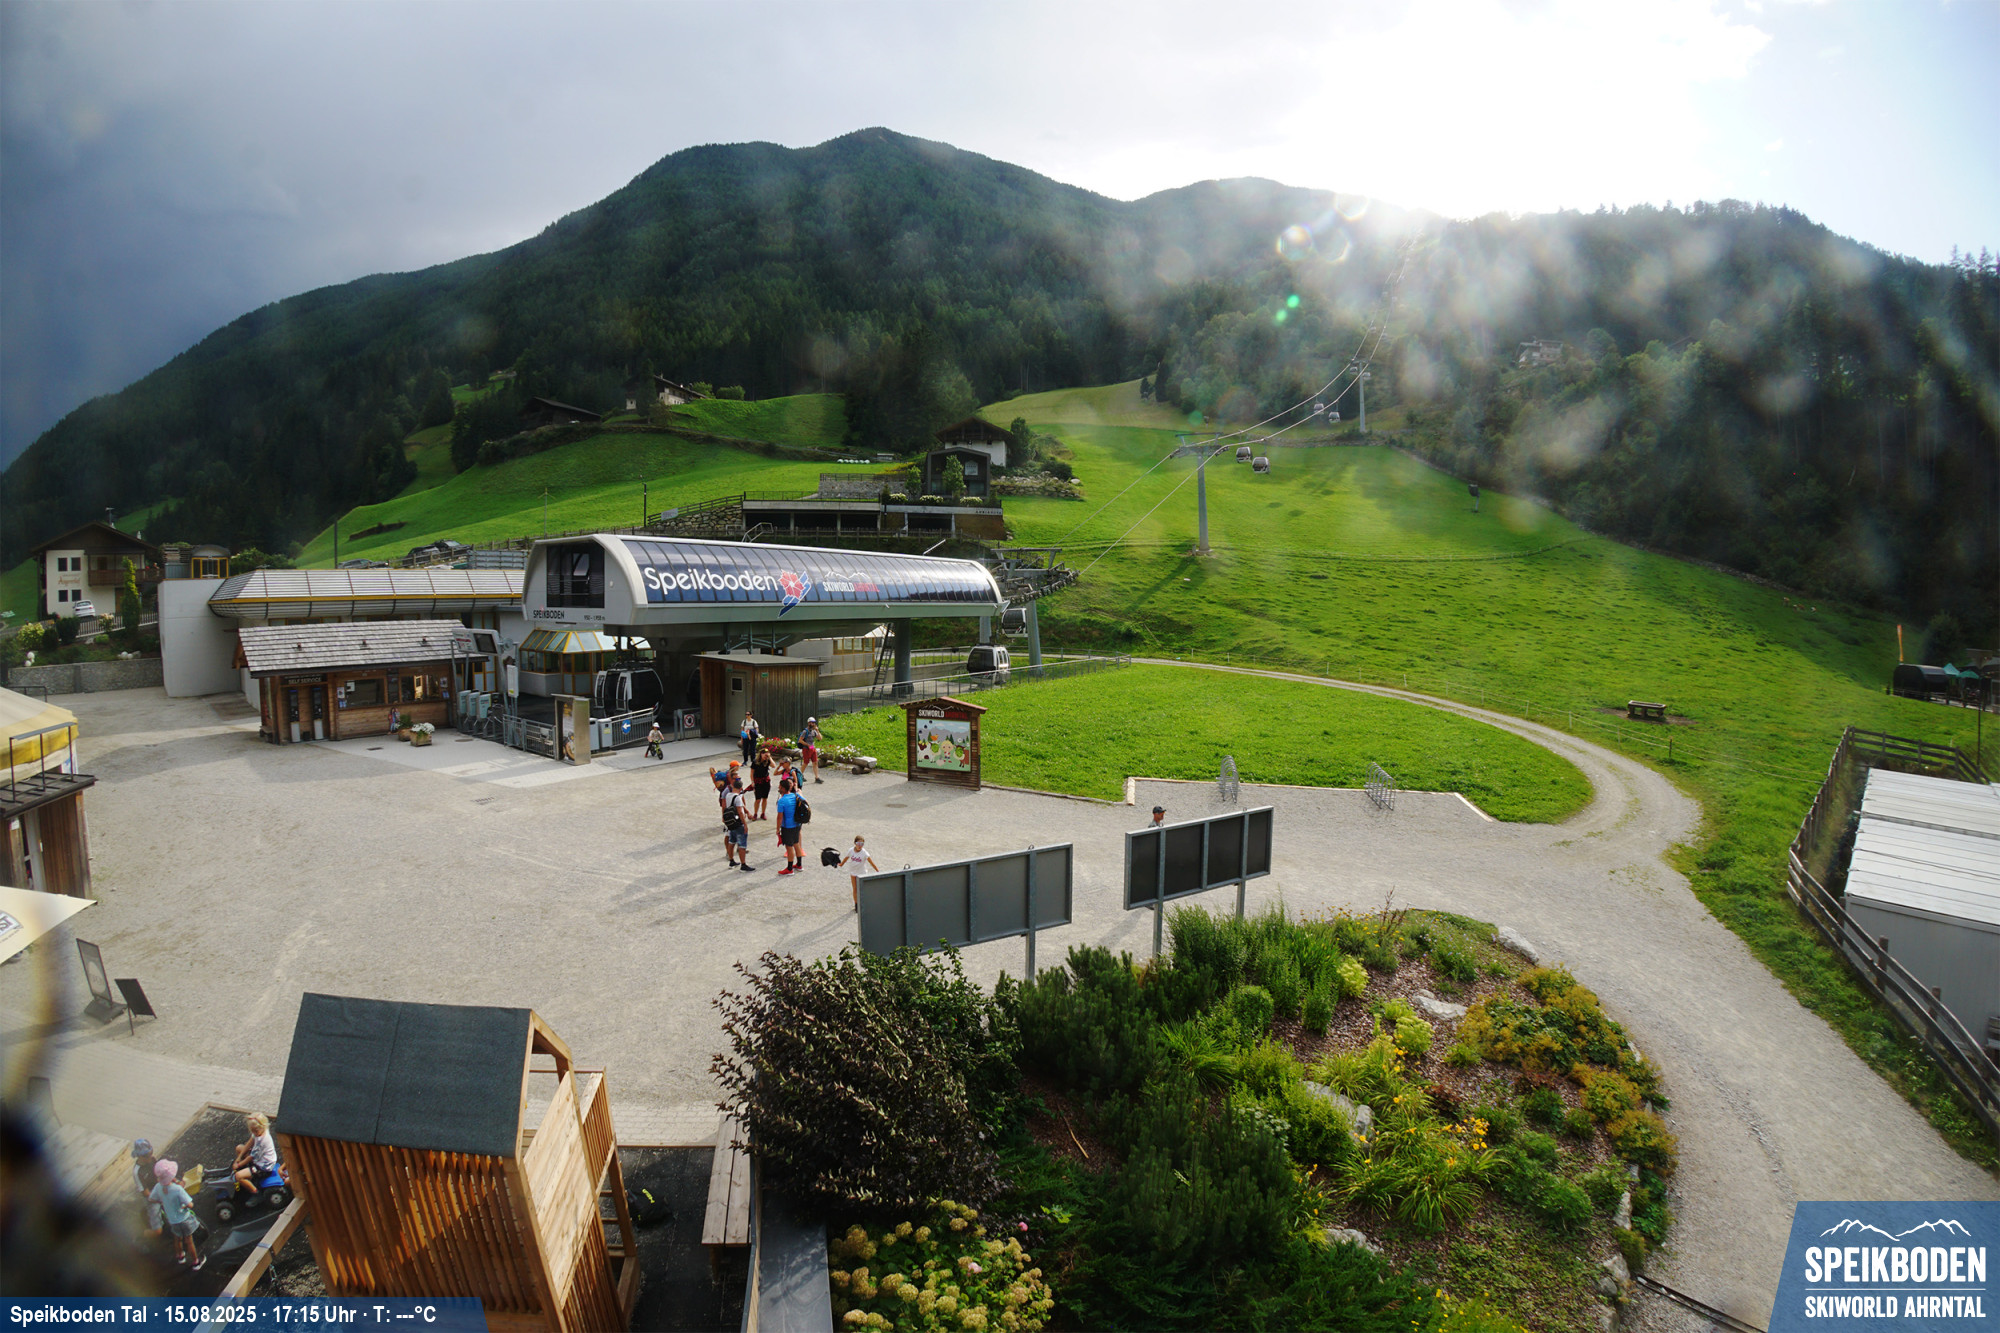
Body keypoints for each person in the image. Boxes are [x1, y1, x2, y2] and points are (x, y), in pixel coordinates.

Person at [152, 1159, 202, 1269]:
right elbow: (190, 1205)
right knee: (189, 1241)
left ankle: (180, 1257)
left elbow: (152, 1199)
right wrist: (183, 1205)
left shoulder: (158, 1187)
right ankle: (196, 1262)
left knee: (177, 1238)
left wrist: (162, 1201)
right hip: (184, 1218)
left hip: (172, 1220)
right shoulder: (177, 1189)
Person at [232, 1113, 278, 1197]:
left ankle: (255, 1192)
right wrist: (239, 1157)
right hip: (259, 1159)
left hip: (263, 1167)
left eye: (255, 1131)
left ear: (262, 1126)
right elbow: (250, 1143)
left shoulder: (262, 1141)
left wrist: (238, 1165)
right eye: (252, 1131)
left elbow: (251, 1157)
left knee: (238, 1176)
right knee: (239, 1148)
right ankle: (247, 1175)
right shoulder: (260, 1131)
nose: (254, 1133)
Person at [131, 1139, 164, 1238]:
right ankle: (142, 1236)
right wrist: (158, 1198)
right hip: (151, 1196)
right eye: (146, 1155)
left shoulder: (152, 1160)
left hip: (160, 1188)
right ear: (139, 1156)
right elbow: (145, 1192)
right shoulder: (137, 1172)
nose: (150, 1157)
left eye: (151, 1153)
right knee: (158, 1231)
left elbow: (159, 1173)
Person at [723, 775, 754, 872]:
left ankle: (731, 861)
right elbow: (740, 812)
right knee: (742, 845)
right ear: (741, 788)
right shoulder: (738, 798)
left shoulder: (728, 795)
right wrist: (745, 824)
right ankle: (743, 865)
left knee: (731, 841)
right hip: (738, 823)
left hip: (731, 823)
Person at [774, 778, 804, 875]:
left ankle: (790, 868)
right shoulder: (795, 795)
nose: (778, 788)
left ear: (783, 788)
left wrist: (777, 829)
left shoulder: (782, 801)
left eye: (780, 787)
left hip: (788, 826)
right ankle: (799, 864)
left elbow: (779, 817)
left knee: (789, 847)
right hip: (797, 824)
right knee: (796, 843)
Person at [841, 835, 878, 910]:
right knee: (855, 889)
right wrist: (841, 864)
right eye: (858, 843)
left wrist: (877, 870)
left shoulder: (864, 853)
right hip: (853, 872)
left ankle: (864, 903)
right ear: (855, 843)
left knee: (862, 889)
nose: (860, 846)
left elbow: (871, 862)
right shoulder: (851, 850)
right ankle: (856, 905)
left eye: (862, 844)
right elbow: (846, 857)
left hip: (862, 873)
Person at [800, 717, 824, 784]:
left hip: (812, 748)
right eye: (811, 723)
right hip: (806, 749)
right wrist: (807, 744)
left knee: (815, 762)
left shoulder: (814, 731)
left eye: (813, 723)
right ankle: (799, 775)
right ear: (808, 723)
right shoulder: (805, 731)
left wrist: (817, 730)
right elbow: (800, 740)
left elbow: (820, 738)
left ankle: (817, 778)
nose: (813, 724)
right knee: (805, 763)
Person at [750, 750, 772, 821]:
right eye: (765, 755)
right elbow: (752, 773)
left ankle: (763, 813)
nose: (766, 757)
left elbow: (773, 765)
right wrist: (752, 782)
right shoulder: (755, 762)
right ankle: (755, 813)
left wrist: (769, 758)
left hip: (766, 781)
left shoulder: (767, 761)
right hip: (757, 781)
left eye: (767, 755)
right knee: (758, 799)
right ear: (761, 754)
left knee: (765, 798)